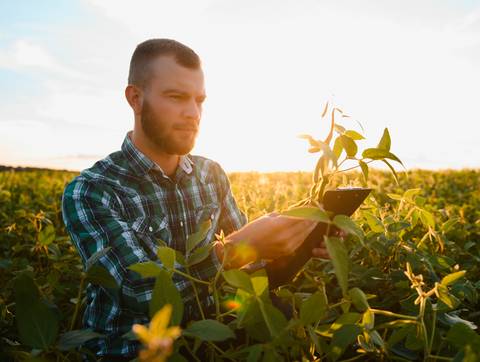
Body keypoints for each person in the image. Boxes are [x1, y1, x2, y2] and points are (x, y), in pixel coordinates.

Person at [62, 38, 329, 360]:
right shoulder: (93, 190)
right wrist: (235, 250)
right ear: (135, 98)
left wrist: (293, 249)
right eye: (176, 97)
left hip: (219, 337)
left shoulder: (210, 173)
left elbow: (250, 275)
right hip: (136, 349)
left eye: (199, 100)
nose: (193, 113)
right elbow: (143, 293)